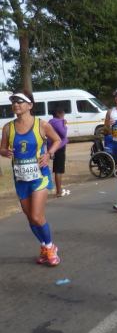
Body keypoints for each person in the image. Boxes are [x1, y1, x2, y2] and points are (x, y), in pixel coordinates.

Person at [0, 89, 62, 265]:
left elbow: (57, 140)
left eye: (20, 101)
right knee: (30, 217)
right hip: (20, 178)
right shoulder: (8, 127)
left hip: (39, 177)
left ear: (30, 105)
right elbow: (1, 148)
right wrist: (5, 152)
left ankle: (50, 247)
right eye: (13, 101)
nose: (16, 104)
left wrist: (49, 154)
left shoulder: (41, 125)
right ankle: (44, 246)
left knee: (36, 216)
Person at [48, 108, 70, 197]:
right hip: (59, 147)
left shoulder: (50, 122)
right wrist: (64, 125)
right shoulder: (58, 122)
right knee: (58, 170)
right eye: (63, 114)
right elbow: (63, 133)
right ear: (59, 114)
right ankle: (59, 191)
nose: (64, 116)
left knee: (57, 168)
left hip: (52, 146)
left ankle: (59, 190)